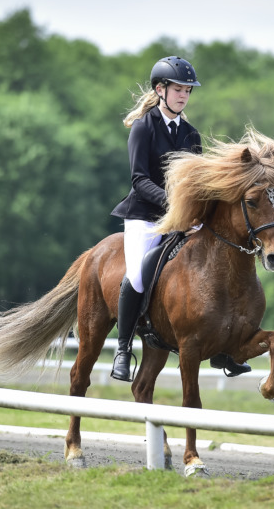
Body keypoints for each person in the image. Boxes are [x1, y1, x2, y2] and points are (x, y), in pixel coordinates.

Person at [109, 56, 252, 382]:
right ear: (160, 89)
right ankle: (122, 348)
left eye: (187, 90)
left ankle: (223, 350)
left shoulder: (190, 134)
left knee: (214, 264)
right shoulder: (144, 127)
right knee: (138, 275)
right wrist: (174, 204)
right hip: (145, 217)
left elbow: (199, 184)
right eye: (178, 89)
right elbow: (139, 181)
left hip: (184, 219)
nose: (184, 95)